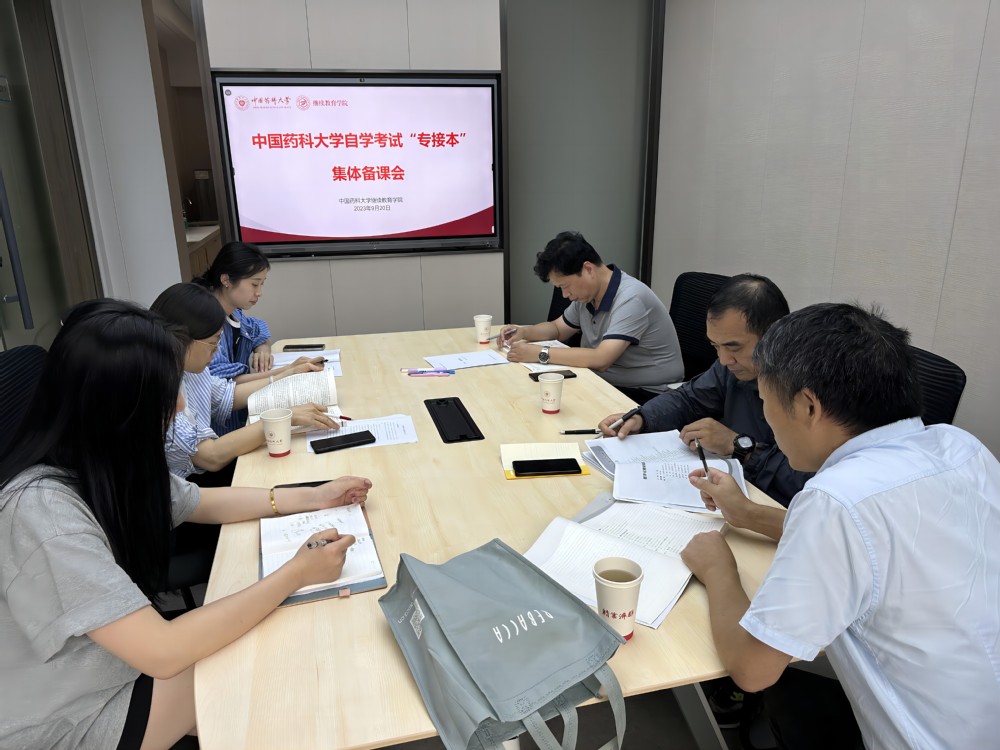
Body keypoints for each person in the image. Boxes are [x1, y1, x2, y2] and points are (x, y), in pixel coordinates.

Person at [0, 298, 372, 749]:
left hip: (116, 664)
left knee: (272, 644)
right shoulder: (43, 512)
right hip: (72, 717)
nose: (179, 405)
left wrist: (312, 497)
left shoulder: (105, 460)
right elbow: (164, 651)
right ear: (116, 409)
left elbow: (201, 501)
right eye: (166, 394)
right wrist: (296, 573)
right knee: (269, 667)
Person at [680, 302, 1000, 749]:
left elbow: (753, 669)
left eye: (765, 401)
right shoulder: (960, 445)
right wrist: (749, 514)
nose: (766, 416)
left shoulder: (834, 498)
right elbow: (875, 542)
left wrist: (718, 569)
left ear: (808, 405)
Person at [599, 273, 812, 508]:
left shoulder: (809, 389)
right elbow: (689, 399)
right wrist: (643, 418)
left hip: (777, 511)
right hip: (731, 492)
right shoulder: (732, 368)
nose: (724, 360)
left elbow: (807, 481)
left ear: (774, 336)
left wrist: (740, 447)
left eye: (734, 348)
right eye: (715, 346)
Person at [151, 283, 336, 484]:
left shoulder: (188, 367)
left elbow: (227, 395)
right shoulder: (158, 388)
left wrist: (286, 373)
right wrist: (282, 419)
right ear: (182, 340)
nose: (215, 352)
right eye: (213, 343)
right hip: (185, 487)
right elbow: (211, 457)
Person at [497, 231, 683, 404]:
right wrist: (525, 331)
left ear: (588, 269)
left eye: (565, 286)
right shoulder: (588, 296)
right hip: (603, 381)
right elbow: (558, 329)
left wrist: (540, 353)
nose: (565, 295)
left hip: (649, 394)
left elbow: (601, 359)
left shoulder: (632, 298)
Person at [194, 242, 305, 434]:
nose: (259, 292)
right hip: (220, 431)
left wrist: (262, 348)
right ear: (226, 280)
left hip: (241, 419)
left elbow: (257, 330)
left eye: (262, 284)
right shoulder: (206, 324)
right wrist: (287, 371)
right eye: (254, 284)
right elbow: (227, 385)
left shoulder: (234, 312)